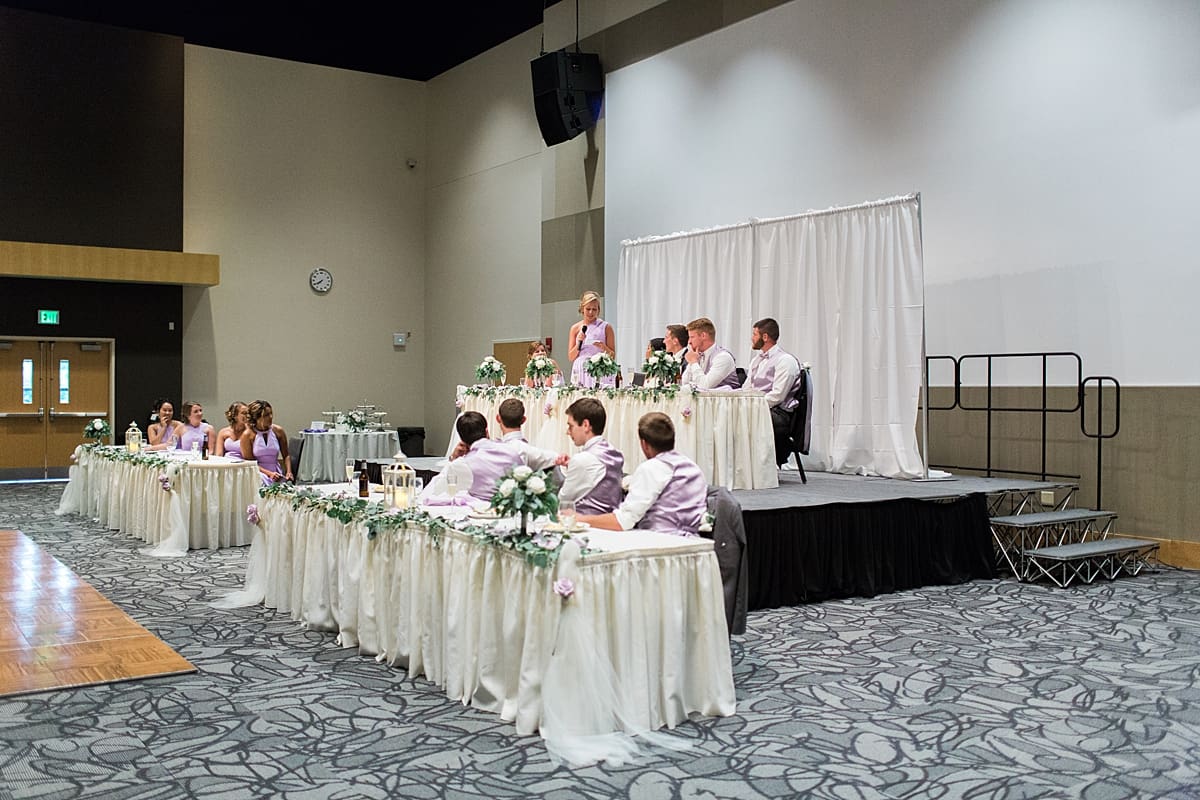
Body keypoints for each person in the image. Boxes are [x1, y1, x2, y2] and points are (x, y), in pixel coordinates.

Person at [577, 412, 706, 536]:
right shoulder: (693, 467)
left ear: (644, 444)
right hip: (694, 543)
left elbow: (623, 522)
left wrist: (580, 519)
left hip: (660, 543)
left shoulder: (651, 468)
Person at [425, 411, 523, 503]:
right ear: (487, 432)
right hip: (516, 510)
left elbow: (435, 491)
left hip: (482, 514)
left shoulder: (462, 465)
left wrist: (452, 459)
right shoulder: (511, 451)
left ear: (462, 439)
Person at [747, 317, 803, 467]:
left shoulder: (785, 361)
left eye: (754, 334)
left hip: (779, 413)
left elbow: (778, 396)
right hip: (759, 407)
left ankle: (759, 466)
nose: (752, 338)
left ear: (765, 337)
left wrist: (752, 405)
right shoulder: (756, 361)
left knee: (742, 416)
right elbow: (747, 388)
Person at [555, 398, 624, 514]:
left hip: (586, 525)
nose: (568, 432)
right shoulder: (614, 453)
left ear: (586, 425)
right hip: (610, 521)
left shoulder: (583, 460)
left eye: (571, 426)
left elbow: (562, 501)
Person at [568, 290, 616, 388]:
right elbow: (571, 357)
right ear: (582, 309)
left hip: (599, 368)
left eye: (594, 309)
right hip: (581, 369)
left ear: (598, 310)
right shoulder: (575, 328)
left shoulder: (606, 327)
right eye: (588, 309)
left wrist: (604, 347)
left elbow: (612, 356)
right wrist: (579, 343)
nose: (591, 312)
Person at [494, 398, 557, 470]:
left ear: (498, 418)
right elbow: (556, 459)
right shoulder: (537, 453)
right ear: (523, 420)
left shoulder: (490, 452)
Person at [240, 399, 292, 485]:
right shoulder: (247, 435)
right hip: (258, 473)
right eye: (266, 415)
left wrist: (289, 472)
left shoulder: (278, 431)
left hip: (276, 472)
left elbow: (286, 455)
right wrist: (269, 474)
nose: (271, 417)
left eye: (271, 413)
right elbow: (250, 463)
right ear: (257, 418)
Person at [681, 317, 740, 389]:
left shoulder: (723, 357)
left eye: (692, 337)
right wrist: (691, 363)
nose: (689, 342)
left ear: (703, 336)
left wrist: (693, 362)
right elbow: (684, 383)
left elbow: (705, 386)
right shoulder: (697, 355)